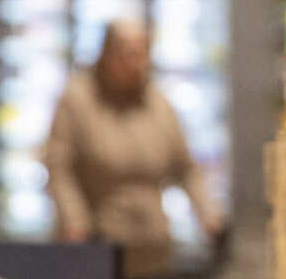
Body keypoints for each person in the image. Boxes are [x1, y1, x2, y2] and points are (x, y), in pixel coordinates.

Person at [44, 20, 223, 279]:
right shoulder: (78, 100)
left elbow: (185, 167)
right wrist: (74, 221)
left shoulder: (158, 102)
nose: (134, 62)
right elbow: (59, 168)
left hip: (152, 248)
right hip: (97, 245)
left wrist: (207, 214)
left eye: (140, 53)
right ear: (107, 53)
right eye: (126, 52)